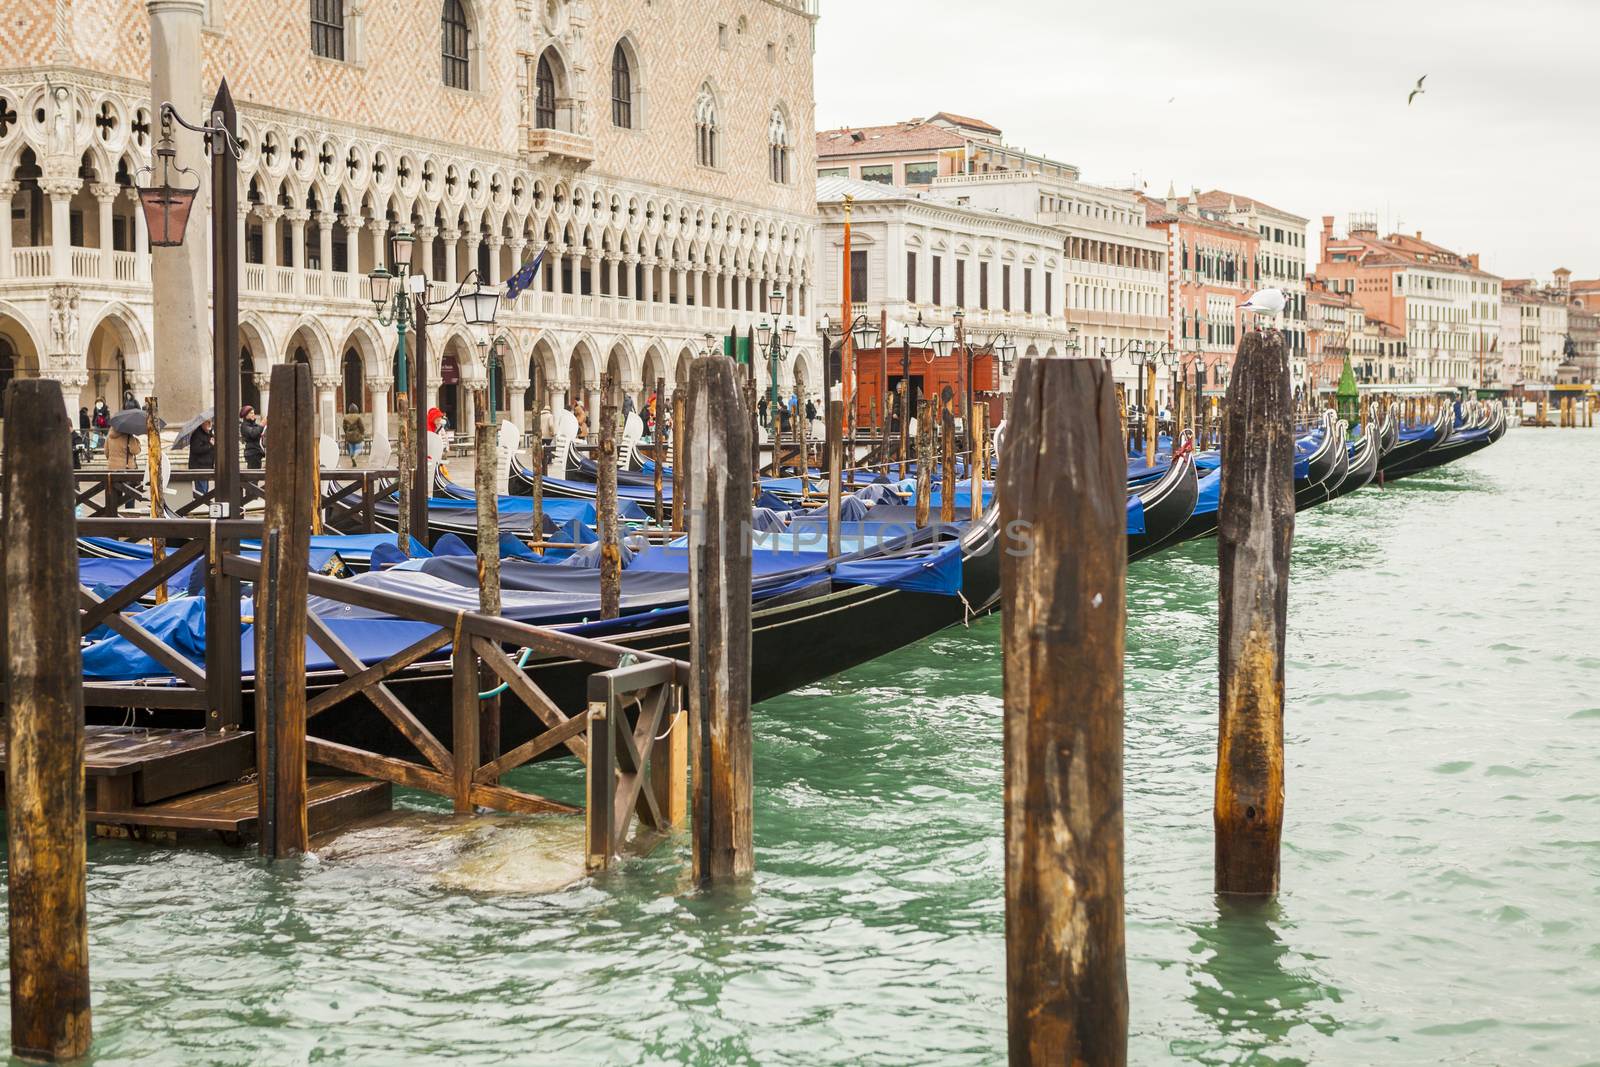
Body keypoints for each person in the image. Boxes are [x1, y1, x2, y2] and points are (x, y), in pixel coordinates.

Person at [188, 417, 215, 496]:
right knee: (202, 492)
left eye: (210, 422)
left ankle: (204, 506)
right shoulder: (197, 434)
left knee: (205, 491)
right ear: (202, 423)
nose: (210, 424)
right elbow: (196, 449)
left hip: (207, 466)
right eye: (207, 422)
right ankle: (202, 506)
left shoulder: (209, 434)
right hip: (199, 466)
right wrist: (210, 445)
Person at [240, 405, 265, 469]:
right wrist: (262, 424)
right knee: (253, 477)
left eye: (253, 413)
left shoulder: (254, 425)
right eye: (251, 413)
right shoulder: (244, 426)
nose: (253, 414)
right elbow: (253, 433)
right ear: (246, 415)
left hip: (257, 453)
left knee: (256, 476)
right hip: (252, 454)